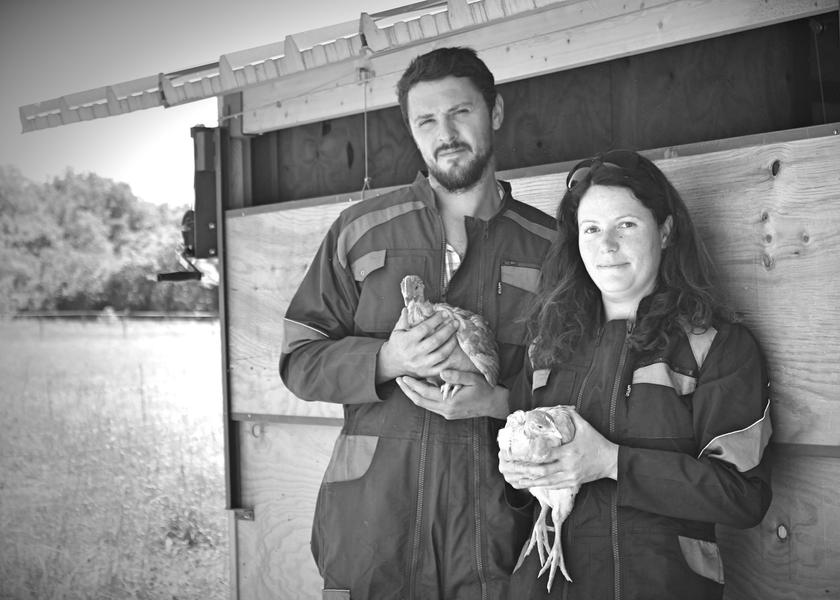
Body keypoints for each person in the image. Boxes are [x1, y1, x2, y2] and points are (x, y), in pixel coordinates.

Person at [279, 47, 556, 599]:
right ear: (411, 130)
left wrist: (498, 402)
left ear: (494, 112)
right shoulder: (359, 231)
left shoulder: (551, 247)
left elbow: (577, 379)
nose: (445, 133)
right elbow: (298, 358)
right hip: (372, 529)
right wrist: (386, 360)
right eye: (426, 120)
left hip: (491, 534)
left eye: (460, 113)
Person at [499, 149, 773, 600]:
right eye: (590, 229)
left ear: (665, 232)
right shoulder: (547, 347)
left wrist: (611, 462)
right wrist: (519, 476)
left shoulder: (716, 347)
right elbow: (521, 495)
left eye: (625, 225)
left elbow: (742, 495)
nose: (606, 245)